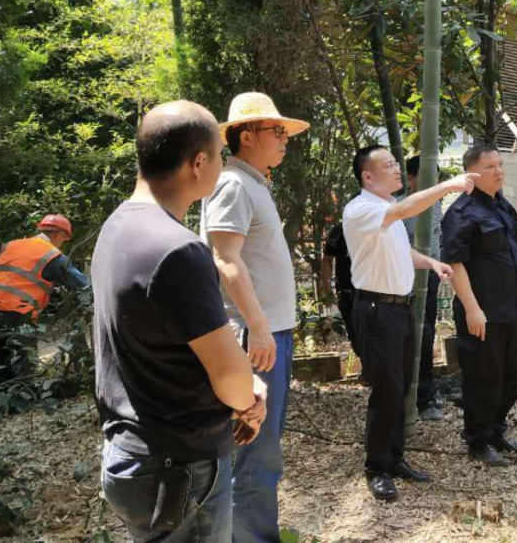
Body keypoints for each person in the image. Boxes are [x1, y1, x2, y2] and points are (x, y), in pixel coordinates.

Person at [92, 101, 267, 542]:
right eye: (218, 156)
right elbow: (229, 376)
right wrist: (249, 395)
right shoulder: (178, 249)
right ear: (199, 162)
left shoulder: (117, 226)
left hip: (130, 455)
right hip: (179, 467)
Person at [200, 91, 309, 543]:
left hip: (267, 334)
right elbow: (225, 259)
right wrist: (259, 328)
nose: (285, 139)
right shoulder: (233, 184)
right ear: (247, 136)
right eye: (276, 131)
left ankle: (250, 532)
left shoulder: (254, 182)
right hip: (252, 336)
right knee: (254, 450)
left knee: (261, 446)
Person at [342, 145, 476, 501]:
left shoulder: (387, 213)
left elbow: (401, 252)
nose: (398, 170)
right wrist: (448, 186)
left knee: (401, 388)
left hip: (399, 309)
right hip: (375, 310)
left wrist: (430, 263)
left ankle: (394, 458)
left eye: (396, 164)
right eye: (388, 165)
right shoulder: (362, 209)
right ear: (367, 177)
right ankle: (376, 467)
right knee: (386, 390)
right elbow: (404, 208)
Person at [441, 145, 517, 467]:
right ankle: (478, 440)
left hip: (511, 309)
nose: (499, 171)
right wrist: (471, 308)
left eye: (500, 164)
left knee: (510, 377)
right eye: (491, 166)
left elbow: (515, 256)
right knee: (483, 379)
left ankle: (495, 431)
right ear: (472, 172)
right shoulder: (461, 213)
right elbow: (455, 263)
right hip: (482, 313)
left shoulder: (502, 206)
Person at [0, 213, 90, 383]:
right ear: (61, 235)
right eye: (65, 239)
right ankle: (24, 406)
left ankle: (2, 406)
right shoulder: (51, 255)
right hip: (17, 314)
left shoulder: (11, 246)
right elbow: (84, 285)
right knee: (23, 373)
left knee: (0, 369)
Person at [402, 156, 444, 421]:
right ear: (411, 179)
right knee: (418, 336)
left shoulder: (438, 204)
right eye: (427, 177)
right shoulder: (400, 207)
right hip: (407, 281)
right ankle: (419, 397)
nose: (434, 183)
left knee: (428, 333)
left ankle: (425, 393)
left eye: (436, 177)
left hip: (431, 278)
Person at [322, 220, 360, 361]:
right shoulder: (340, 230)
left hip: (372, 291)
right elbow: (327, 260)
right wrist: (327, 291)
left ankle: (373, 370)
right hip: (347, 291)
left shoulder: (377, 225)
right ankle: (367, 366)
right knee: (354, 333)